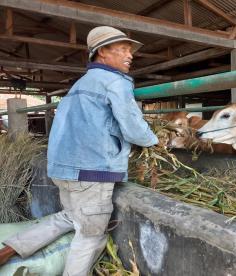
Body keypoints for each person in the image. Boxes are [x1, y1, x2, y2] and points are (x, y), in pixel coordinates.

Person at [0, 26, 158, 275]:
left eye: (130, 51)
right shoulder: (116, 81)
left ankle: (8, 250)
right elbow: (132, 126)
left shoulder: (79, 85)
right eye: (124, 49)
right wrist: (153, 141)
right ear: (103, 52)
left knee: (70, 217)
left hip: (63, 169)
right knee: (90, 237)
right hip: (91, 172)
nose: (130, 55)